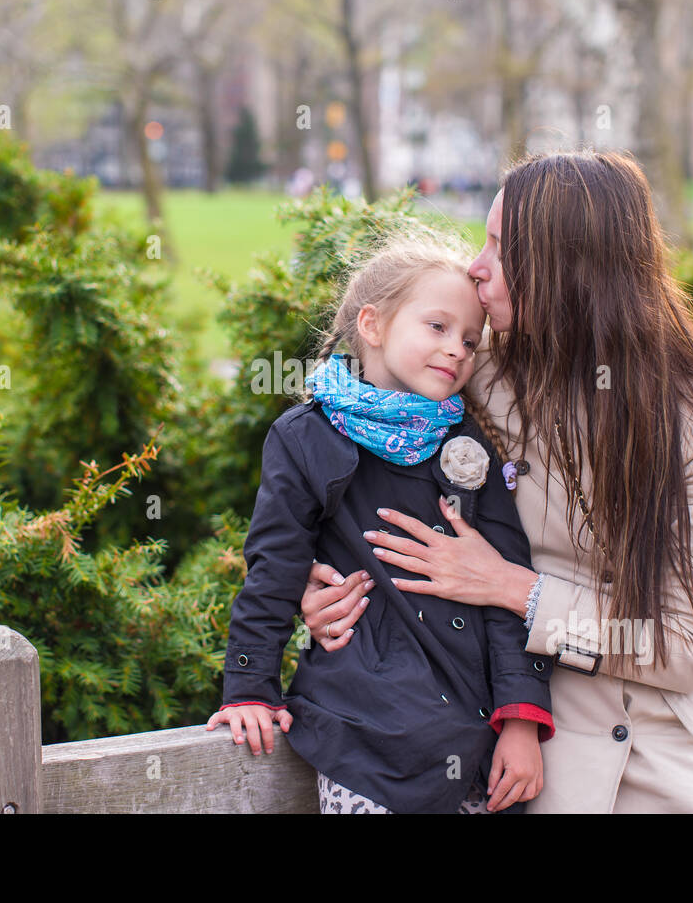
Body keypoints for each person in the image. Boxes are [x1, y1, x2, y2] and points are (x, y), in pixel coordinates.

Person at [300, 149, 693, 813]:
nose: (476, 265)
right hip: (526, 744)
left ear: (569, 270)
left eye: (500, 246)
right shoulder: (475, 368)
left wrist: (511, 588)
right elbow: (351, 461)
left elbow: (685, 646)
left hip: (669, 763)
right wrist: (327, 588)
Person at [206, 230, 555, 814]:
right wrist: (249, 688)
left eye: (471, 340)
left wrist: (521, 720)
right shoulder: (305, 438)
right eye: (438, 327)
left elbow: (507, 587)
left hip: (477, 746)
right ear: (372, 325)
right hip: (363, 739)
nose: (458, 350)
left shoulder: (467, 446)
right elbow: (275, 569)